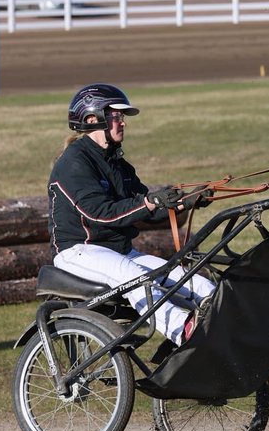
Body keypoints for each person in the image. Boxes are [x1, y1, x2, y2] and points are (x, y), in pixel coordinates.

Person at [48, 84, 214, 345]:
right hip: (80, 251)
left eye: (122, 117)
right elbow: (102, 215)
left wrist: (186, 202)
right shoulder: (73, 164)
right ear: (93, 119)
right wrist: (148, 202)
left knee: (195, 283)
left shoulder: (118, 163)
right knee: (136, 276)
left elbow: (147, 212)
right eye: (116, 116)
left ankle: (220, 327)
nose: (122, 123)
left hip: (119, 251)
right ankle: (185, 331)